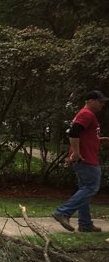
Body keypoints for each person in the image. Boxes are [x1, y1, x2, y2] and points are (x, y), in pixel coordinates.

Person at [52, 90, 109, 233]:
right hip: (86, 159)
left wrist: (97, 140)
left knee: (85, 190)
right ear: (90, 101)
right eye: (100, 101)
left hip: (84, 158)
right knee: (91, 187)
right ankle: (63, 212)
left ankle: (85, 224)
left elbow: (82, 134)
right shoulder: (86, 114)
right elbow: (73, 132)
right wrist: (77, 153)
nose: (103, 104)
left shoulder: (87, 115)